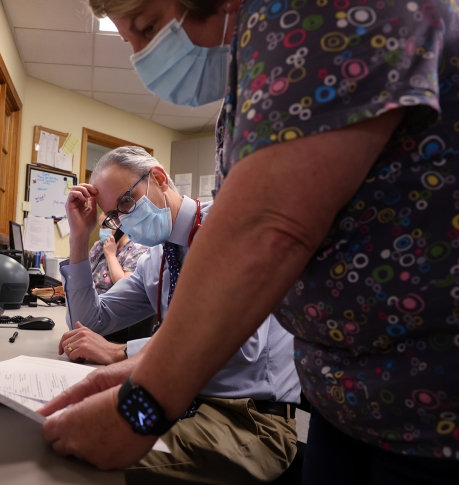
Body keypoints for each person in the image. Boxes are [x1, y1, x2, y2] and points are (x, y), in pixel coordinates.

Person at [39, 0, 459, 483]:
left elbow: (271, 231)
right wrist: (132, 364)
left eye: (148, 26)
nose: (142, 54)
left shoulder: (318, 12)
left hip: (425, 404)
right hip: (344, 399)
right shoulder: (246, 89)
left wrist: (139, 400)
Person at [56, 146, 301, 483]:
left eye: (126, 202)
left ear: (158, 178)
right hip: (171, 399)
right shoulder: (154, 260)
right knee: (68, 435)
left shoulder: (232, 225)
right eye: (115, 215)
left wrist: (123, 352)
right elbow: (91, 321)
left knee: (92, 464)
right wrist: (79, 239)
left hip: (246, 417)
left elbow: (241, 347)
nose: (124, 220)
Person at [91, 212, 147, 295]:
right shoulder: (98, 246)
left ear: (121, 225)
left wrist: (110, 256)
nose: (102, 231)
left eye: (105, 227)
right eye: (100, 227)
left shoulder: (138, 250)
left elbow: (125, 288)